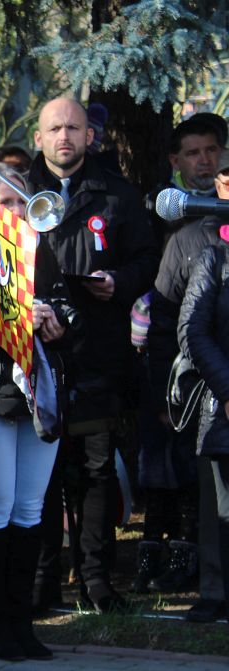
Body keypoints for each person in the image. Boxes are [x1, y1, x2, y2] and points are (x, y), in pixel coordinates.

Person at [25, 97, 161, 614]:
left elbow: (147, 259)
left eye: (73, 128)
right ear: (39, 137)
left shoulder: (117, 194)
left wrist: (119, 281)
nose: (64, 136)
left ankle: (97, 581)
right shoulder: (15, 193)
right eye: (54, 128)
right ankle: (41, 581)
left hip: (98, 353)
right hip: (37, 355)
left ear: (89, 136)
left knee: (97, 471)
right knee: (41, 475)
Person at [0, 164, 75, 663]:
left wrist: (56, 321)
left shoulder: (41, 249)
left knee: (30, 509)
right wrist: (11, 321)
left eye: (20, 201)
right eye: (5, 201)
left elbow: (68, 306)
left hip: (39, 396)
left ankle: (22, 624)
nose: (15, 211)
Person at [147, 150, 229, 623]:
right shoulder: (206, 250)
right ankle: (216, 590)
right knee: (218, 501)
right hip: (220, 397)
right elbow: (189, 330)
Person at [176, 233, 229, 631]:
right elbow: (192, 330)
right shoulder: (214, 258)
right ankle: (217, 593)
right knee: (222, 513)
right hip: (224, 408)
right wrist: (227, 389)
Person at [149, 115, 225, 241]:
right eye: (193, 153)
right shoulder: (159, 203)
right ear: (175, 161)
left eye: (211, 150)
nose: (205, 160)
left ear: (222, 153)